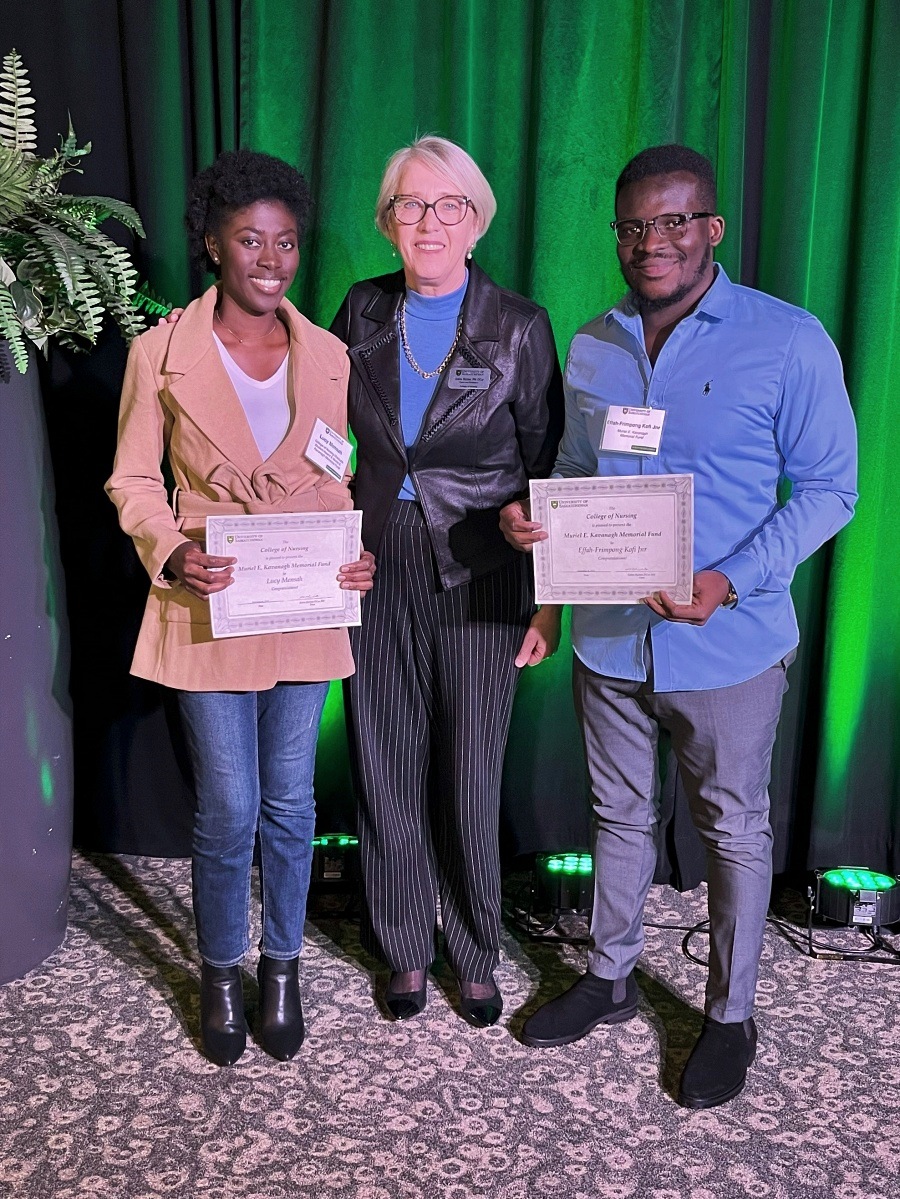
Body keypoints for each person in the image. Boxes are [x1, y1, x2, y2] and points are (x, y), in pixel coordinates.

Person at [500, 144, 857, 1107]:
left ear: (712, 228)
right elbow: (577, 474)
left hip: (728, 643)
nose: (651, 242)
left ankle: (730, 1015)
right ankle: (612, 975)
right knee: (618, 814)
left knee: (733, 829)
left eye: (672, 221)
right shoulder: (594, 343)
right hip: (610, 635)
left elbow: (832, 490)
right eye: (633, 226)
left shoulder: (788, 340)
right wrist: (540, 548)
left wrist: (728, 581)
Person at [106, 149, 375, 1067]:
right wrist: (170, 548)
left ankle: (282, 965)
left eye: (286, 241)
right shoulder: (160, 353)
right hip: (209, 597)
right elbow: (133, 480)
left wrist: (352, 552)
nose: (271, 259)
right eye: (250, 240)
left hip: (302, 599)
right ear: (214, 244)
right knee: (229, 805)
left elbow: (340, 473)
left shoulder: (330, 355)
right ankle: (222, 968)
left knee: (292, 800)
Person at [330, 135, 564, 1026]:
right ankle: (402, 944)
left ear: (476, 221)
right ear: (387, 220)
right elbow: (324, 438)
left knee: (469, 771)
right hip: (377, 561)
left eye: (449, 205)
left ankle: (473, 948)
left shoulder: (521, 325)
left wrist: (549, 598)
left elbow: (548, 467)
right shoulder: (360, 309)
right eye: (410, 205)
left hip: (485, 566)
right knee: (383, 757)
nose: (429, 222)